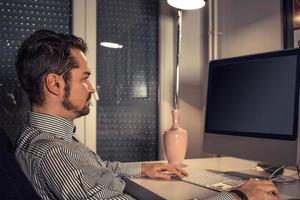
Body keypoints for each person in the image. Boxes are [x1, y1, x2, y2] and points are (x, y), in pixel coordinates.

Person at [14, 30, 279, 200]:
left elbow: (97, 169)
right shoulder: (54, 154)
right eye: (85, 78)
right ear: (55, 84)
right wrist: (238, 196)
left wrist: (143, 168)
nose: (92, 87)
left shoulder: (47, 140)